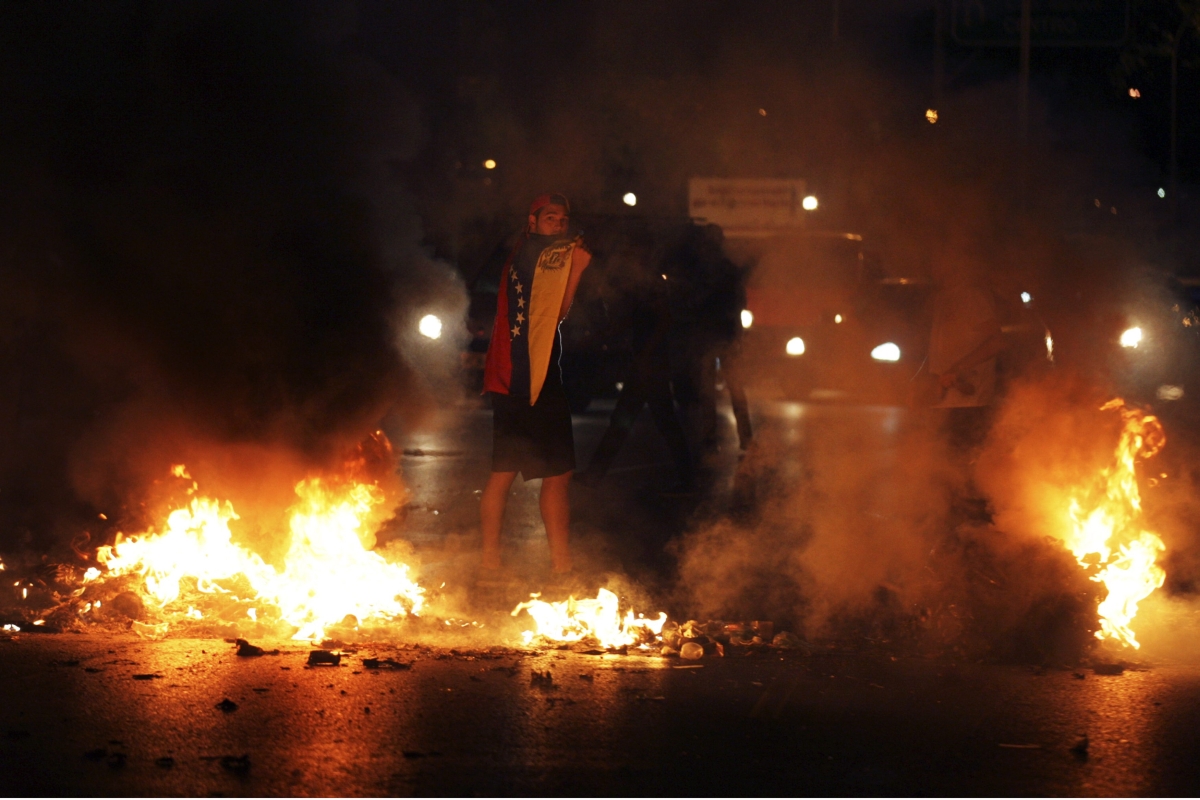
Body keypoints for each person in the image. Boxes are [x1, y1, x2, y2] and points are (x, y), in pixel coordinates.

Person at [479, 193, 591, 577]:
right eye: (550, 218)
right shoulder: (540, 257)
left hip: (525, 373)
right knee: (530, 472)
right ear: (532, 221)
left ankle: (499, 562)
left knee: (525, 472)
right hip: (524, 376)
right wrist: (576, 269)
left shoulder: (528, 252)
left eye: (562, 219)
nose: (558, 224)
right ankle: (556, 565)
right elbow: (556, 313)